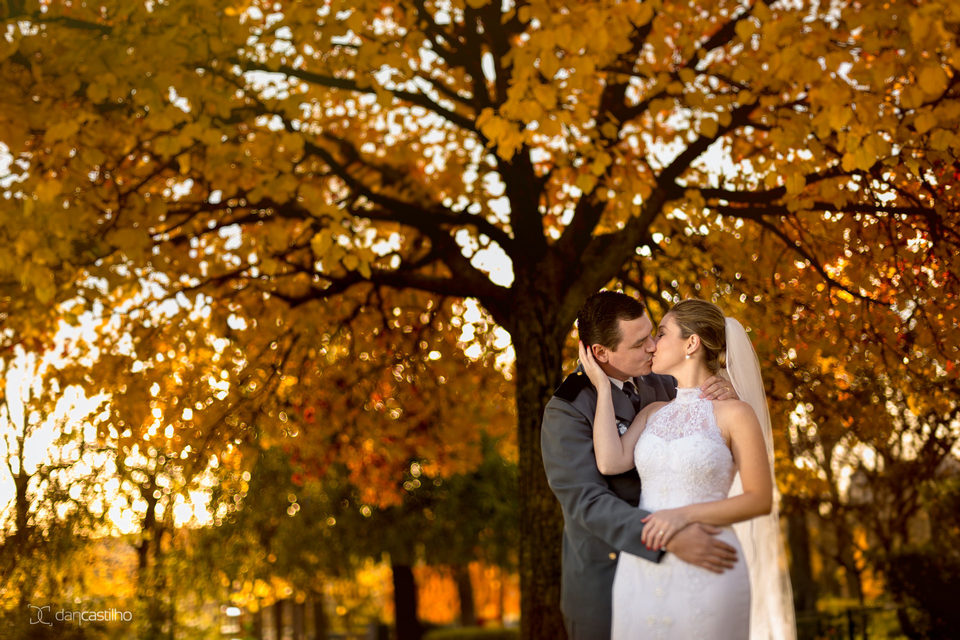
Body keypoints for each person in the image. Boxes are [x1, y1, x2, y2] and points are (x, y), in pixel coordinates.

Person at [582, 298, 796, 639]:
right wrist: (602, 386)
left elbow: (759, 499)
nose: (652, 345)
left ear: (691, 343)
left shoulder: (735, 414)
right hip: (643, 566)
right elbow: (610, 460)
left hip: (710, 562)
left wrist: (682, 515)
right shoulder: (652, 412)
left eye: (662, 334)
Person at [541, 291, 740, 640]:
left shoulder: (664, 383)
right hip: (607, 581)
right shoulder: (568, 408)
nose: (652, 346)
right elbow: (588, 503)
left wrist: (725, 395)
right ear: (600, 353)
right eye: (638, 343)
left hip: (680, 574)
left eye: (652, 334)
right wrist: (668, 536)